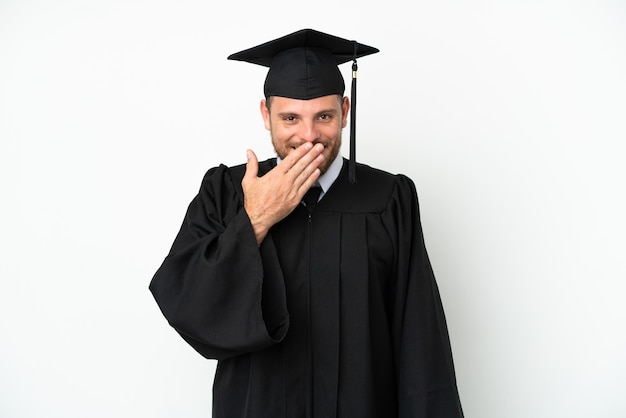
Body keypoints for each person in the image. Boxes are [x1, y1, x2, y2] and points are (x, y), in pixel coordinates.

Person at [150, 28, 464, 418]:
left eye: (325, 116)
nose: (309, 135)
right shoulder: (226, 192)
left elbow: (420, 339)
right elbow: (188, 306)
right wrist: (256, 219)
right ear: (266, 116)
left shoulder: (388, 198)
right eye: (290, 118)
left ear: (345, 112)